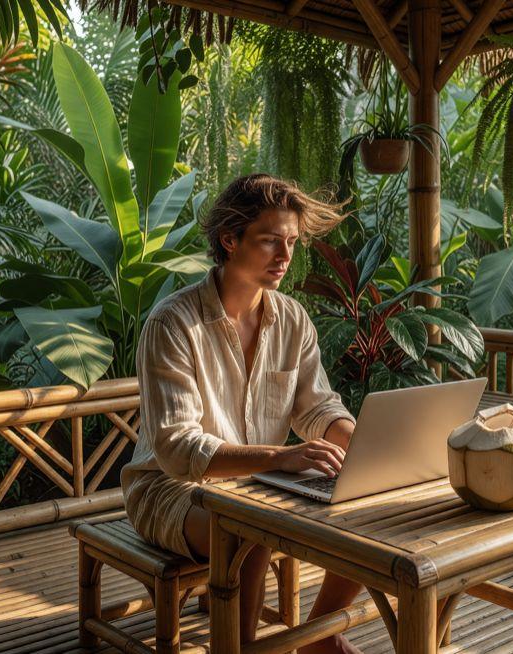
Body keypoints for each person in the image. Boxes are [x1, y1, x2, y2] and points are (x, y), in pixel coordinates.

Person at [120, 173, 363, 654]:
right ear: (230, 240)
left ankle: (322, 635)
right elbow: (175, 447)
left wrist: (355, 440)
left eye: (292, 242)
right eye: (271, 241)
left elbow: (318, 407)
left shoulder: (292, 318)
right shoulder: (173, 323)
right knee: (250, 527)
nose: (285, 257)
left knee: (362, 505)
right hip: (168, 489)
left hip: (260, 485)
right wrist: (282, 457)